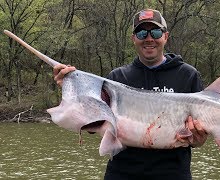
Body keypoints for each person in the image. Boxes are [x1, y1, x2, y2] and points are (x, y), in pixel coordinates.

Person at [53, 9, 208, 180]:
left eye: (155, 32)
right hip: (122, 173)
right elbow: (94, 121)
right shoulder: (116, 78)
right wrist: (71, 85)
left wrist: (198, 139)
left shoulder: (188, 75)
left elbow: (199, 139)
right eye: (142, 33)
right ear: (134, 38)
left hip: (174, 173)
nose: (149, 38)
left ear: (165, 36)